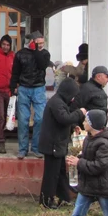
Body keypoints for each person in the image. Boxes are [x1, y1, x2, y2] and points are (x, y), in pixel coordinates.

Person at [38, 78, 85, 209]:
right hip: (53, 144)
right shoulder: (56, 103)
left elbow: (64, 119)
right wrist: (79, 113)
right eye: (73, 95)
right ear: (68, 92)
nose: (73, 99)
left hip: (57, 144)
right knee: (51, 175)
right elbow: (64, 118)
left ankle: (64, 198)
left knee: (61, 173)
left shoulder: (59, 102)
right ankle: (46, 201)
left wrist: (73, 126)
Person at [10, 31, 50, 160]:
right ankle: (22, 149)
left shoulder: (44, 54)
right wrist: (12, 86)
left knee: (40, 118)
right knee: (23, 119)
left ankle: (36, 147)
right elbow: (15, 71)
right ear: (32, 41)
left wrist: (36, 51)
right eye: (39, 42)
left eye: (42, 42)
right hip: (23, 88)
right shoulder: (20, 54)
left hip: (39, 88)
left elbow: (42, 66)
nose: (41, 44)